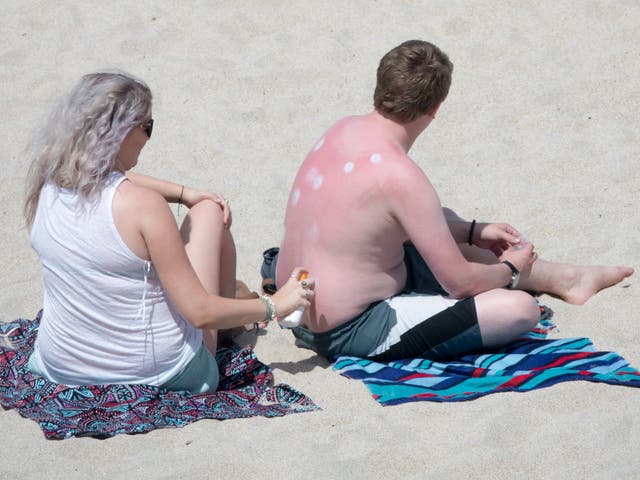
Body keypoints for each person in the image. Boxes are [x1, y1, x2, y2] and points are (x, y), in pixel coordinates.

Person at [262, 40, 633, 362]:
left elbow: (366, 219)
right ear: (435, 108)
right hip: (346, 327)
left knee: (446, 222)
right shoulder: (402, 175)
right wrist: (512, 270)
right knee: (519, 310)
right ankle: (551, 278)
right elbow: (460, 284)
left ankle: (567, 278)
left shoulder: (342, 128)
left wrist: (471, 231)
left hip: (293, 300)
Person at [23, 71, 315, 393]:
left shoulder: (45, 183)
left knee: (185, 256)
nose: (148, 138)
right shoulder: (143, 207)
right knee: (208, 213)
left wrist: (182, 191)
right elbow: (199, 312)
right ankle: (236, 310)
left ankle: (234, 302)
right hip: (162, 373)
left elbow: (105, 176)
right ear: (121, 133)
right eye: (147, 128)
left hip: (58, 366)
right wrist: (276, 306)